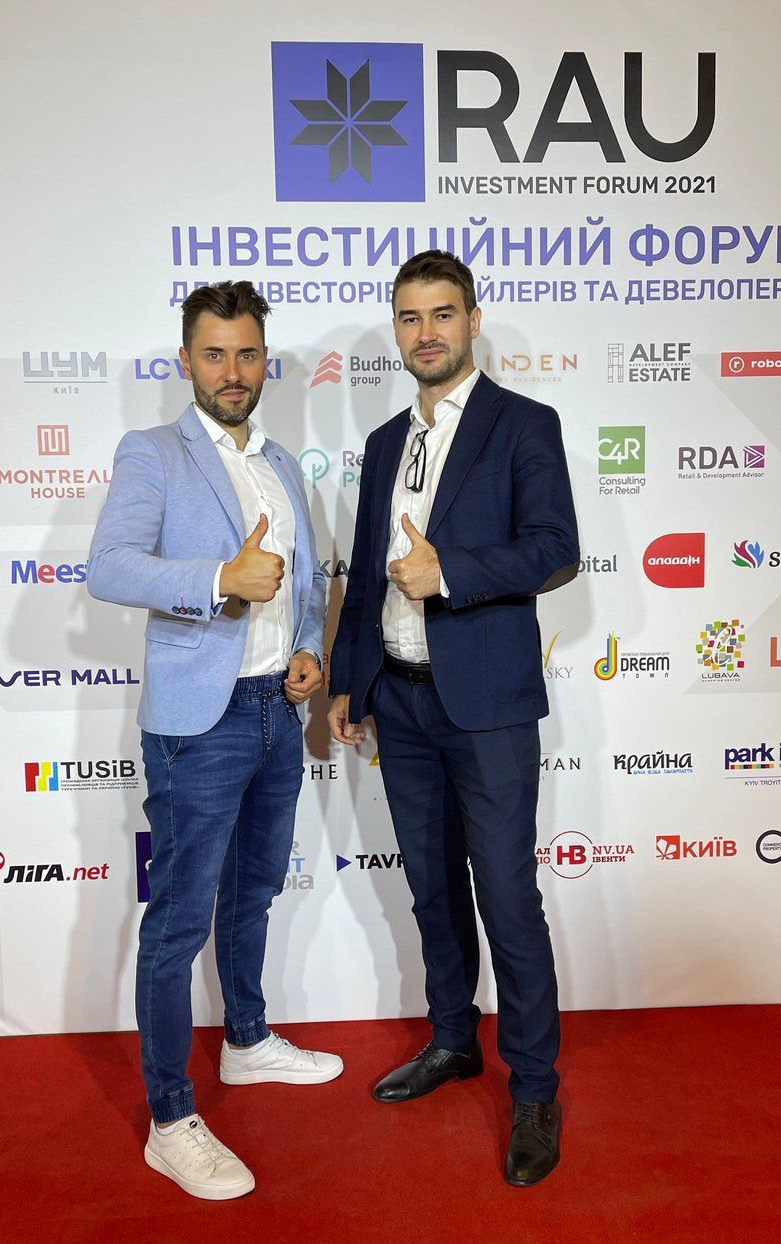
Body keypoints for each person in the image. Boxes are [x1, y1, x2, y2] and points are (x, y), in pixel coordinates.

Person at [327, 250, 578, 1187]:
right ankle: (451, 1039)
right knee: (432, 889)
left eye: (441, 314)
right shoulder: (386, 440)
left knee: (507, 900)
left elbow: (556, 549)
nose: (425, 333)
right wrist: (351, 680)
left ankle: (536, 1089)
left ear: (473, 321)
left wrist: (452, 573)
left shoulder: (524, 424)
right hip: (402, 699)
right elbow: (363, 572)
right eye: (409, 317)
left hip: (488, 708)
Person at [87, 281, 340, 1201]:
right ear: (187, 361)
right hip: (201, 720)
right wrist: (219, 577)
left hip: (277, 710)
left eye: (247, 354)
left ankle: (246, 1040)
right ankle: (169, 1119)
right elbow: (108, 566)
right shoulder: (153, 452)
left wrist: (308, 651)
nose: (233, 371)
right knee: (180, 919)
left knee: (255, 892)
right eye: (214, 354)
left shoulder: (281, 464)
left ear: (264, 360)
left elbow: (304, 585)